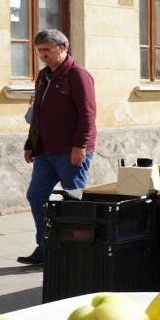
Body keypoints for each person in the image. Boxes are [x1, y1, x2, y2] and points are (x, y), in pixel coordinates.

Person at [19, 30, 96, 266]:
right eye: (39, 51)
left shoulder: (78, 74)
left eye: (47, 50)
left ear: (63, 47)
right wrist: (30, 144)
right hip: (45, 151)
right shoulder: (43, 76)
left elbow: (88, 114)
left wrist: (80, 145)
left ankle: (76, 250)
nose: (43, 55)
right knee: (36, 196)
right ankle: (46, 247)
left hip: (71, 151)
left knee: (74, 199)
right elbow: (38, 114)